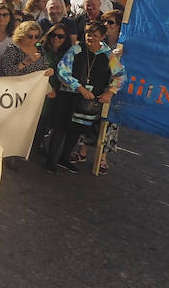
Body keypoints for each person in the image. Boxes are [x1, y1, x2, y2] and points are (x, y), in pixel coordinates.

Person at [43, 21, 123, 174]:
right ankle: (51, 161)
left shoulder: (108, 54)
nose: (90, 38)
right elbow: (62, 71)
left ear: (102, 36)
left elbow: (120, 76)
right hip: (69, 95)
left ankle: (64, 158)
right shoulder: (76, 49)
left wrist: (110, 92)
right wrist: (78, 87)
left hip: (89, 100)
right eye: (88, 34)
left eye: (95, 36)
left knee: (76, 130)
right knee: (60, 128)